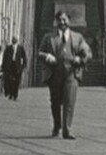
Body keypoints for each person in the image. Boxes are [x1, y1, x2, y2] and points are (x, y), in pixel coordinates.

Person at [38, 10, 91, 139]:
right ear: (56, 21)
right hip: (54, 74)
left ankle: (67, 130)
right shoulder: (48, 37)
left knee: (69, 102)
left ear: (69, 20)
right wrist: (47, 56)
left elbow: (88, 53)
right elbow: (39, 53)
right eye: (59, 20)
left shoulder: (78, 37)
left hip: (71, 74)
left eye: (64, 19)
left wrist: (80, 59)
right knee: (55, 102)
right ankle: (57, 127)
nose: (62, 22)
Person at [1, 34, 27, 100]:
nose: (14, 40)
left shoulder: (20, 48)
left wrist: (23, 65)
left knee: (17, 81)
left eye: (15, 39)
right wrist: (3, 66)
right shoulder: (8, 48)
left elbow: (24, 57)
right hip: (10, 66)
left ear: (17, 40)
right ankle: (11, 93)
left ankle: (15, 95)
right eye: (13, 39)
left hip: (17, 66)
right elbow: (5, 57)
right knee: (10, 80)